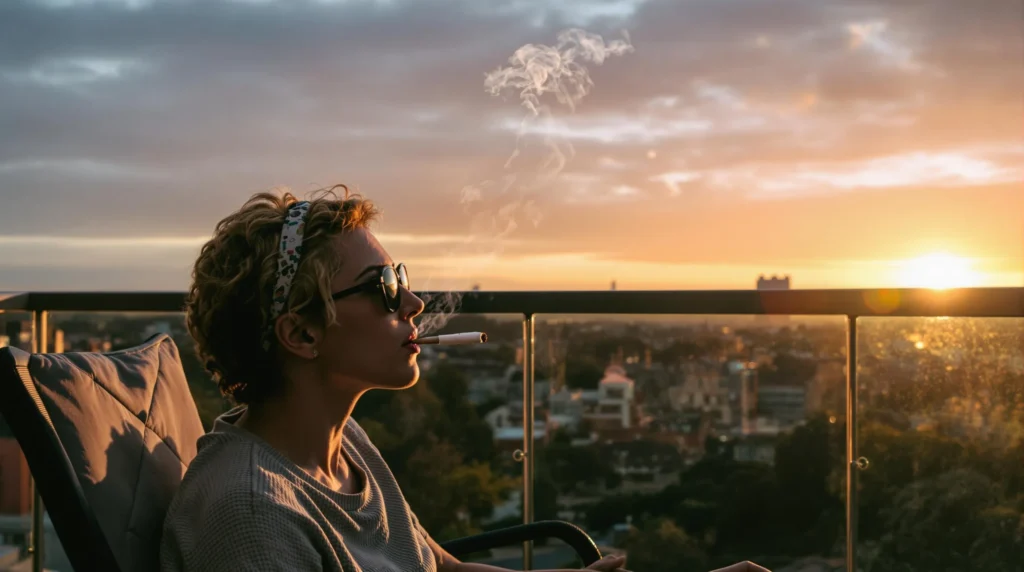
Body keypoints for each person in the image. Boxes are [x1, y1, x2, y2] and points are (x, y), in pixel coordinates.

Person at [160, 188, 770, 572]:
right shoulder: (252, 517)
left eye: (401, 277)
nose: (415, 302)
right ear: (302, 334)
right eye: (385, 289)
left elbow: (438, 566)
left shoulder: (343, 449)